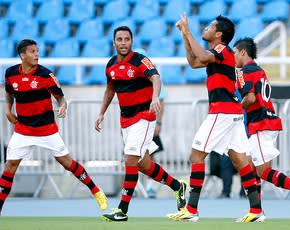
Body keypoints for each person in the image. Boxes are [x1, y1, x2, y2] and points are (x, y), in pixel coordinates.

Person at [167, 15, 264, 222]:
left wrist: (188, 31)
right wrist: (185, 36)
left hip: (222, 112)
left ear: (219, 34)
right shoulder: (217, 53)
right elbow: (194, 62)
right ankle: (256, 211)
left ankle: (191, 210)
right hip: (232, 113)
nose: (206, 28)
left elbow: (200, 57)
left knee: (196, 156)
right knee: (239, 159)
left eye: (210, 26)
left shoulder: (221, 49)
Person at [0, 39, 108, 215]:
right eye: (32, 51)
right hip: (23, 129)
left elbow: (60, 98)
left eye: (37, 51)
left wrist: (63, 106)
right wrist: (7, 110)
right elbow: (9, 92)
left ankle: (96, 191)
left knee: (66, 162)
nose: (36, 54)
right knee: (10, 165)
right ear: (22, 55)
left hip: (46, 129)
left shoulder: (46, 75)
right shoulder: (11, 73)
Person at [95, 26, 187, 222]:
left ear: (131, 41)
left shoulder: (140, 60)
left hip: (144, 117)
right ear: (114, 42)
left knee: (129, 160)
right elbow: (110, 90)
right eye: (119, 39)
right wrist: (101, 113)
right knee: (144, 164)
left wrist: (155, 98)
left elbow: (156, 77)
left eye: (126, 39)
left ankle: (122, 210)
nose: (123, 42)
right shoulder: (110, 65)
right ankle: (178, 187)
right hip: (125, 120)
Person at [233, 37, 290, 201]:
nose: (233, 57)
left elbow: (250, 99)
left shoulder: (243, 72)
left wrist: (233, 110)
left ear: (243, 52)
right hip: (265, 121)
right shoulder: (259, 70)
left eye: (234, 53)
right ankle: (256, 210)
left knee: (263, 172)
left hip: (261, 124)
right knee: (250, 165)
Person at [146, 83, 166, 198]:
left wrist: (158, 123)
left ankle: (150, 186)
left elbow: (161, 104)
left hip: (150, 123)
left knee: (150, 156)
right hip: (133, 123)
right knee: (131, 157)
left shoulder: (156, 80)